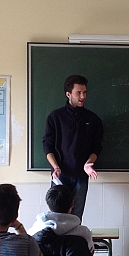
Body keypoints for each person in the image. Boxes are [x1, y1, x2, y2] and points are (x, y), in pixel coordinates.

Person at [42, 75, 103, 219]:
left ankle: (73, 242)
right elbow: (47, 146)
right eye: (79, 92)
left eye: (85, 92)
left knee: (76, 218)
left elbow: (97, 147)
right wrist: (55, 167)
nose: (83, 96)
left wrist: (89, 163)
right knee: (56, 217)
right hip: (60, 176)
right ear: (68, 94)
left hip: (81, 176)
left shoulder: (93, 119)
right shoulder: (55, 117)